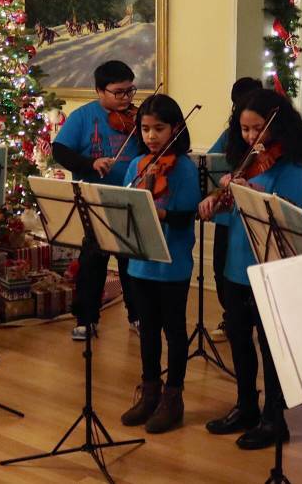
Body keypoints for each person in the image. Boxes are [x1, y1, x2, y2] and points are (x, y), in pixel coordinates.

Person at [199, 88, 302, 450]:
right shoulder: (246, 158)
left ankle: (274, 419)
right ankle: (246, 405)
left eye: (257, 128)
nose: (250, 136)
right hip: (237, 261)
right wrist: (216, 202)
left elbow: (285, 213)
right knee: (238, 337)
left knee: (270, 344)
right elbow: (234, 207)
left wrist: (245, 190)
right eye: (244, 129)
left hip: (270, 264)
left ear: (277, 124)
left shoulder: (293, 164)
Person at [119, 95, 200, 434]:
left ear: (175, 129)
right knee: (148, 330)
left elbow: (186, 216)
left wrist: (159, 212)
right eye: (145, 129)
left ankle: (173, 398)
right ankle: (150, 390)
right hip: (140, 263)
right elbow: (125, 205)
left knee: (174, 331)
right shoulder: (137, 165)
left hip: (172, 264)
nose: (151, 136)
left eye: (159, 129)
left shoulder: (184, 168)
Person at [52, 60, 142, 340]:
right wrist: (90, 164)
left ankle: (137, 315)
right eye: (119, 92)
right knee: (92, 263)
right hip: (95, 200)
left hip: (131, 198)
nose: (126, 98)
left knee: (131, 263)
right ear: (99, 91)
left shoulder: (138, 117)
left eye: (130, 91)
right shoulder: (83, 117)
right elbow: (60, 151)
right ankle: (86, 319)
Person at [207, 77, 261, 343]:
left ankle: (256, 321)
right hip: (227, 217)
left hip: (252, 220)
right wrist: (225, 179)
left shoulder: (270, 143)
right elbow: (209, 163)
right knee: (221, 270)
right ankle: (231, 317)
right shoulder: (231, 135)